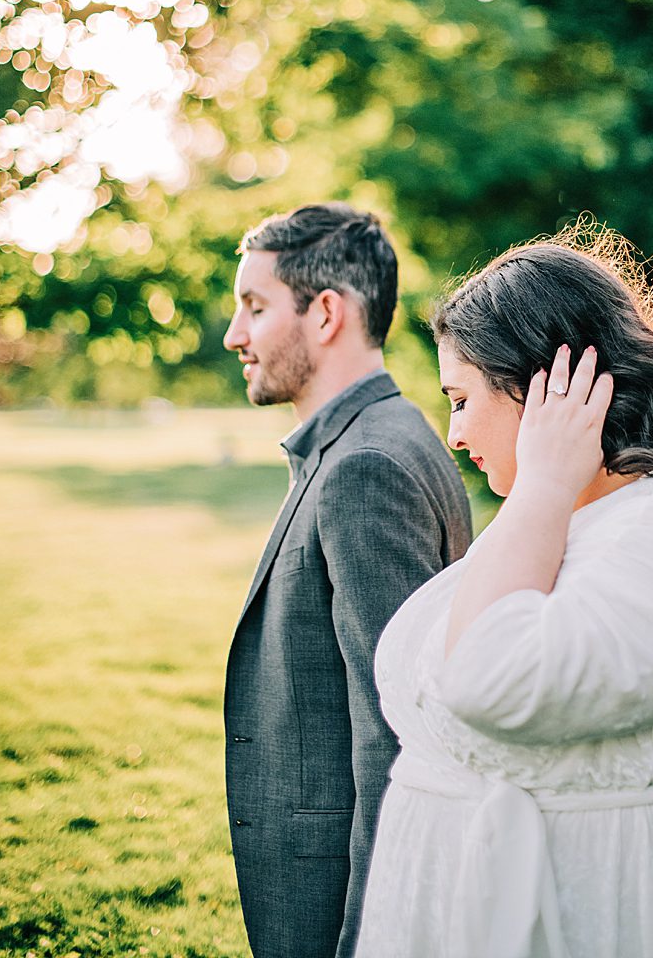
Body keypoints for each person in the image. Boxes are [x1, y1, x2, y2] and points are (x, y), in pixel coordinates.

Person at [354, 230, 653, 958]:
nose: (452, 434)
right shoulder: (562, 521)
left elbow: (491, 680)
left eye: (459, 398)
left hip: (607, 919)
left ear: (547, 385)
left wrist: (544, 481)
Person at [222, 203, 472, 958]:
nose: (236, 334)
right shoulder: (375, 438)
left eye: (255, 307)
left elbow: (395, 734)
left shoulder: (366, 467)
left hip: (337, 904)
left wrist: (374, 934)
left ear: (326, 312)